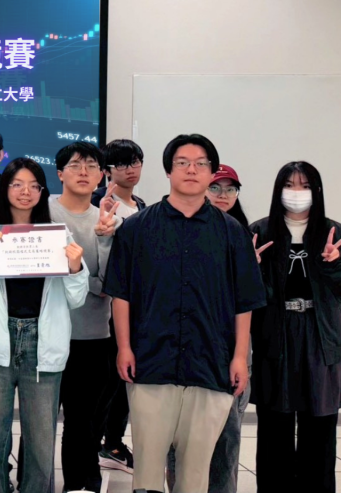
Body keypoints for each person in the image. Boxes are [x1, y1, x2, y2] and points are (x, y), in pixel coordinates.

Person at [105, 134, 264, 493]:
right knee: (147, 472)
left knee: (194, 476)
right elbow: (121, 294)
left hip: (211, 365)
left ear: (210, 172)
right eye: (182, 163)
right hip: (150, 364)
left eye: (200, 163)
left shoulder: (232, 233)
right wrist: (124, 347)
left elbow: (245, 302)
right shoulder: (137, 228)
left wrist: (240, 357)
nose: (191, 170)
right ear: (168, 171)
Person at [0, 157, 87, 493]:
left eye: (33, 185)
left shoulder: (58, 236)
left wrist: (75, 268)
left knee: (42, 441)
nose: (25, 192)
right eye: (17, 184)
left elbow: (76, 298)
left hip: (42, 344)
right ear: (4, 189)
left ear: (42, 192)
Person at [251, 161, 341, 493]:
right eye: (290, 185)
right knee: (274, 427)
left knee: (320, 425)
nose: (297, 192)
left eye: (305, 186)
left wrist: (333, 266)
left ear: (317, 191)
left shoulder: (334, 233)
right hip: (276, 335)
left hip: (320, 338)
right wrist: (252, 269)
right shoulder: (260, 231)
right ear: (279, 191)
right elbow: (249, 295)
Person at [165, 163, 255, 493]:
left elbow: (251, 302)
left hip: (230, 349)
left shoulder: (245, 235)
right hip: (182, 346)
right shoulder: (174, 229)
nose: (222, 195)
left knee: (227, 434)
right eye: (216, 187)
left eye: (230, 189)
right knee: (180, 433)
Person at [48, 142, 119, 493]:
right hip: (46, 335)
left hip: (92, 336)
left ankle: (82, 486)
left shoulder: (109, 221)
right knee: (39, 423)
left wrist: (103, 242)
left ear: (101, 176)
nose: (83, 172)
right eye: (75, 165)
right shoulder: (41, 212)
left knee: (84, 423)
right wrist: (81, 276)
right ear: (60, 173)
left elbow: (109, 285)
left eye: (92, 166)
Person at [92, 138, 147, 475]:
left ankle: (113, 441)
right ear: (108, 170)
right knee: (110, 380)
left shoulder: (142, 205)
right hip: (108, 306)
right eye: (123, 164)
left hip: (140, 306)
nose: (131, 169)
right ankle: (104, 442)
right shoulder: (100, 203)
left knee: (128, 376)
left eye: (136, 162)